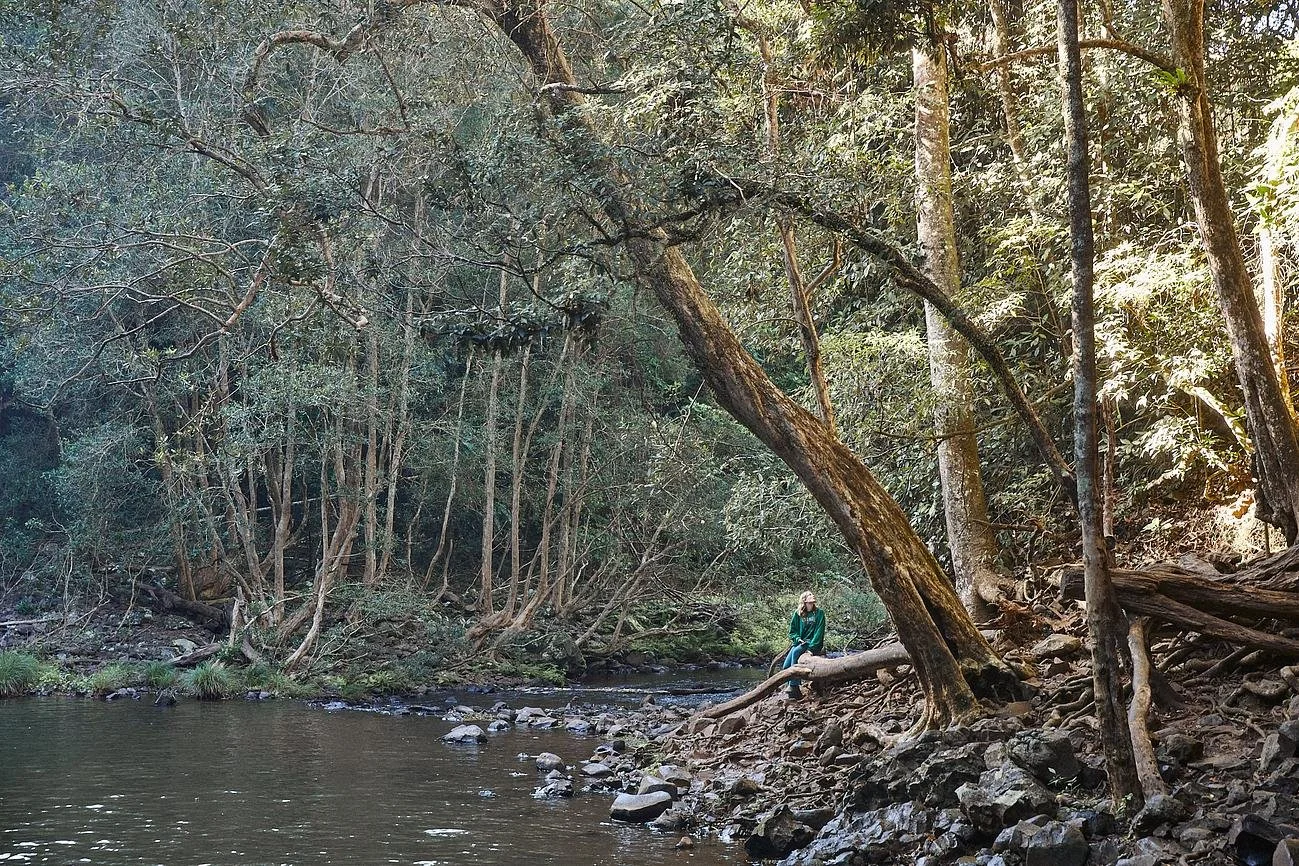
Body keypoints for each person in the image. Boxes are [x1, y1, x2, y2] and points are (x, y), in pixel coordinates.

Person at [782, 591, 825, 699]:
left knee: (796, 652)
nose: (812, 595)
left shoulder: (819, 613)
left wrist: (811, 649)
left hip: (812, 643)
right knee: (786, 666)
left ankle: (794, 687)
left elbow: (819, 632)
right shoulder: (798, 613)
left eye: (812, 594)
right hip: (801, 642)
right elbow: (792, 631)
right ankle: (794, 689)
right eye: (809, 595)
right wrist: (798, 639)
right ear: (804, 600)